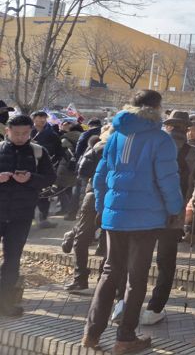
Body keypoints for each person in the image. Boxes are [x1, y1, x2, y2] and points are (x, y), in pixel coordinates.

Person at [82, 90, 184, 354]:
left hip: (114, 216)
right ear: (157, 108)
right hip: (146, 218)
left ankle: (91, 334)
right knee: (136, 279)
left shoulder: (116, 135)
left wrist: (102, 207)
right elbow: (168, 180)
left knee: (109, 272)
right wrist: (176, 209)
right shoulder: (161, 139)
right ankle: (125, 337)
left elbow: (100, 176)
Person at [141, 111, 195, 326]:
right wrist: (194, 205)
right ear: (187, 129)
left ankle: (126, 303)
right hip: (175, 215)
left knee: (138, 260)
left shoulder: (152, 146)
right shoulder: (194, 153)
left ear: (168, 126)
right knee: (166, 262)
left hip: (145, 213)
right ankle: (154, 309)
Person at [0, 114, 56, 316]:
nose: (21, 137)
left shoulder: (39, 152)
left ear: (31, 132)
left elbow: (50, 178)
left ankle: (5, 302)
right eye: (16, 133)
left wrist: (31, 178)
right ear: (7, 131)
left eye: (25, 133)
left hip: (21, 216)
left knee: (12, 260)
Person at [63, 129, 110, 293]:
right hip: (115, 198)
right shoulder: (133, 147)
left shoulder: (99, 146)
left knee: (82, 237)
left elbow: (82, 170)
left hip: (94, 195)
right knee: (109, 241)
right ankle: (102, 282)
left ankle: (80, 278)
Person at [31, 111, 66, 229]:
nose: (42, 120)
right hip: (28, 168)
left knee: (45, 195)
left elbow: (59, 152)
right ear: (33, 118)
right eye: (39, 117)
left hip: (44, 168)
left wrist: (53, 164)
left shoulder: (52, 134)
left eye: (44, 118)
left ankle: (43, 218)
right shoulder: (27, 132)